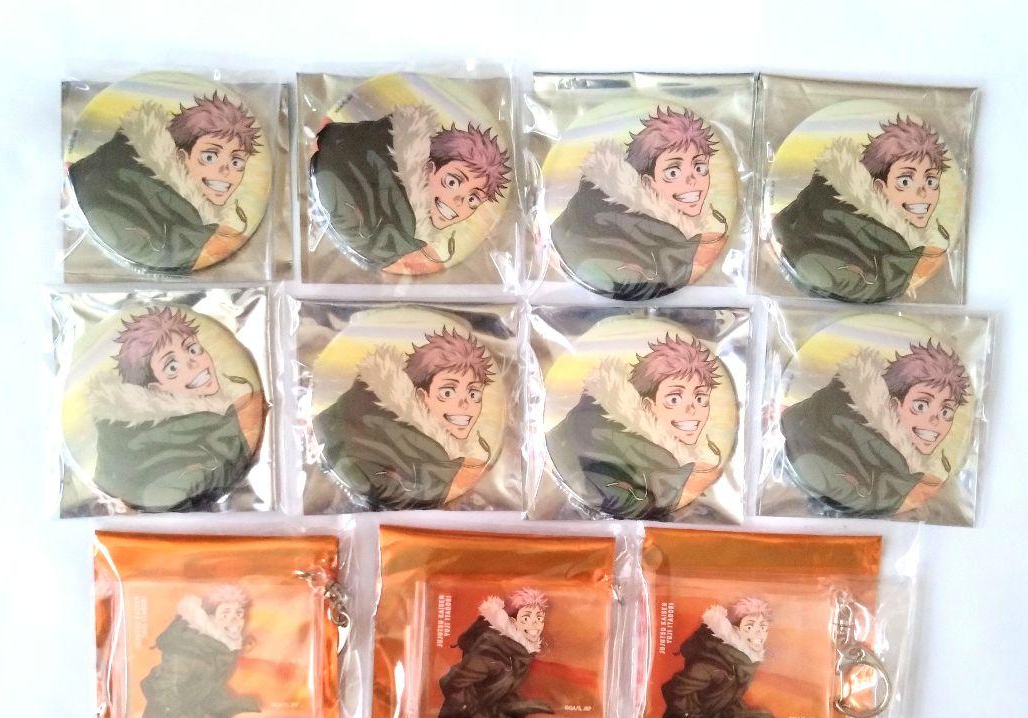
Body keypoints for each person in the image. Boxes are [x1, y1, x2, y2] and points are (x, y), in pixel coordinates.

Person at [87, 307, 265, 512]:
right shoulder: (155, 451)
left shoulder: (224, 415)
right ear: (155, 389)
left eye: (193, 349)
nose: (193, 363)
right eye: (172, 367)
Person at [69, 92, 260, 271]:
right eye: (209, 157)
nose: (226, 170)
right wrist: (202, 245)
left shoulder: (186, 210)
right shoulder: (121, 188)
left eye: (237, 162)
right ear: (182, 156)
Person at [550, 107, 728, 300]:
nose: (692, 180)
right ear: (647, 182)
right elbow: (627, 284)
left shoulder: (668, 229)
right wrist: (691, 257)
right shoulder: (608, 225)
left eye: (700, 167)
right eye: (673, 172)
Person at [311, 105, 510, 273]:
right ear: (429, 169)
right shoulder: (392, 215)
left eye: (473, 199)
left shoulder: (411, 232)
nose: (459, 200)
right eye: (452, 182)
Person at [781, 341, 971, 517]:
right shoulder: (825, 450)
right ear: (894, 405)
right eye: (921, 405)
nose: (935, 420)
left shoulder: (915, 463)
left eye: (946, 411)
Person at [546, 334, 724, 520]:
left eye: (700, 398)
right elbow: (622, 502)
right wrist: (684, 484)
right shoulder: (601, 438)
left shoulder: (676, 452)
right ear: (648, 405)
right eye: (674, 399)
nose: (692, 409)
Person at [773, 115, 950, 302]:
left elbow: (780, 224)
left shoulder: (904, 238)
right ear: (880, 187)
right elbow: (811, 266)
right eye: (905, 181)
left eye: (931, 181)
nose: (923, 193)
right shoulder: (836, 230)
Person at [314, 328, 494, 510]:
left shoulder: (439, 444)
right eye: (447, 392)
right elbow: (379, 486)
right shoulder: (372, 431)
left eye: (474, 393)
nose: (465, 403)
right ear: (422, 396)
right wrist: (453, 478)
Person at [141, 585, 261, 718]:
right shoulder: (188, 648)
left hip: (198, 716)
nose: (234, 620)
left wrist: (232, 705)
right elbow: (164, 692)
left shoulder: (220, 647)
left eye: (239, 614)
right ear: (209, 617)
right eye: (225, 614)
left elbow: (208, 689)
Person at [438, 589, 554, 718]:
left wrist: (516, 706)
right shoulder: (493, 650)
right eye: (526, 618)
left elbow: (497, 689)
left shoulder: (520, 652)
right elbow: (451, 682)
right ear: (513, 621)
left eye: (539, 618)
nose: (534, 624)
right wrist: (479, 714)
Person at [660, 598, 776, 718]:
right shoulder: (714, 662)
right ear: (734, 629)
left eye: (763, 627)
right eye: (749, 627)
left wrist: (745, 715)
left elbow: (725, 697)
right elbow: (674, 689)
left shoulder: (742, 662)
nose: (759, 632)